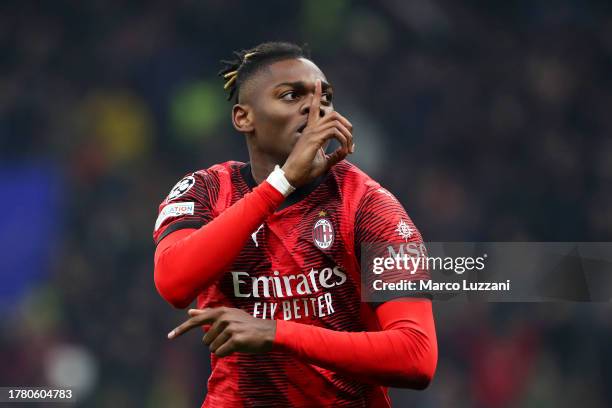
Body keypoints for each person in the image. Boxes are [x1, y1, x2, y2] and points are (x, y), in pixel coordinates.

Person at [153, 42, 437, 407]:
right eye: (291, 95)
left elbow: (416, 356)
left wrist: (276, 333)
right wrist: (279, 185)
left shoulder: (367, 204)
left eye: (325, 97)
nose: (313, 106)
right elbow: (173, 283)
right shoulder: (207, 190)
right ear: (244, 118)